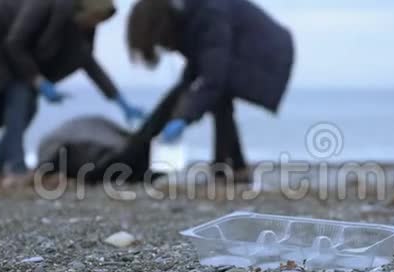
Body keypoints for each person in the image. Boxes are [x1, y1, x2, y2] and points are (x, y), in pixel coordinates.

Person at [0, 0, 144, 185]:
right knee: (19, 104)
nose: (95, 25)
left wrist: (120, 101)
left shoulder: (82, 28)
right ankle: (16, 170)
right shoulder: (45, 5)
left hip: (20, 62)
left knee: (26, 110)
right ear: (82, 8)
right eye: (95, 19)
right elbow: (15, 42)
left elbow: (88, 62)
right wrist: (39, 81)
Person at [125, 0, 294, 183]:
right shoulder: (188, 19)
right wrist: (158, 125)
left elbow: (212, 78)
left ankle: (228, 168)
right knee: (214, 95)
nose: (163, 45)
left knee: (218, 93)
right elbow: (193, 76)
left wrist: (183, 117)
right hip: (246, 49)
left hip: (267, 54)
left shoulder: (209, 15)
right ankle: (234, 167)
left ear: (161, 25)